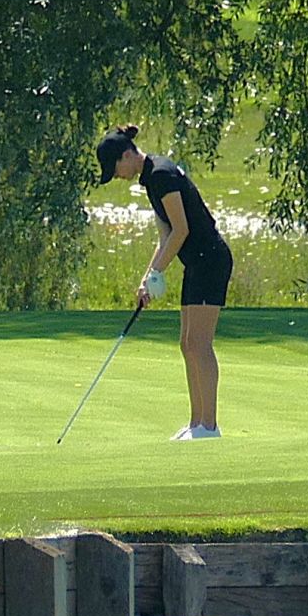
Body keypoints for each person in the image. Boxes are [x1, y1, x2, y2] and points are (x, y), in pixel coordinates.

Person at [97, 124, 232, 439]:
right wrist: (148, 278)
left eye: (114, 168)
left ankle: (209, 427)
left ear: (127, 155)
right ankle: (196, 424)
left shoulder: (161, 175)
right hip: (196, 264)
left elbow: (181, 229)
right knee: (187, 344)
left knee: (200, 344)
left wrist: (157, 273)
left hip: (211, 260)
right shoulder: (151, 179)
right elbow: (164, 237)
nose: (116, 175)